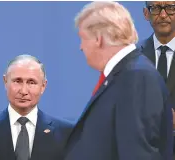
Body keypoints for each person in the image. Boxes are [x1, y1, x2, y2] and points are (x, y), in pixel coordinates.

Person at [64, 1, 173, 160]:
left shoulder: (137, 77)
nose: (81, 47)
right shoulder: (125, 74)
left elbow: (138, 154)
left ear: (98, 39)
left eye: (82, 38)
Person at [0, 55, 73, 160]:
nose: (23, 91)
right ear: (5, 82)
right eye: (17, 81)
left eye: (31, 82)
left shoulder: (66, 133)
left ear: (43, 86)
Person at [138, 1, 175, 156]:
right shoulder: (132, 56)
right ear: (146, 13)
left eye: (171, 8)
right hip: (145, 151)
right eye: (156, 8)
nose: (163, 14)